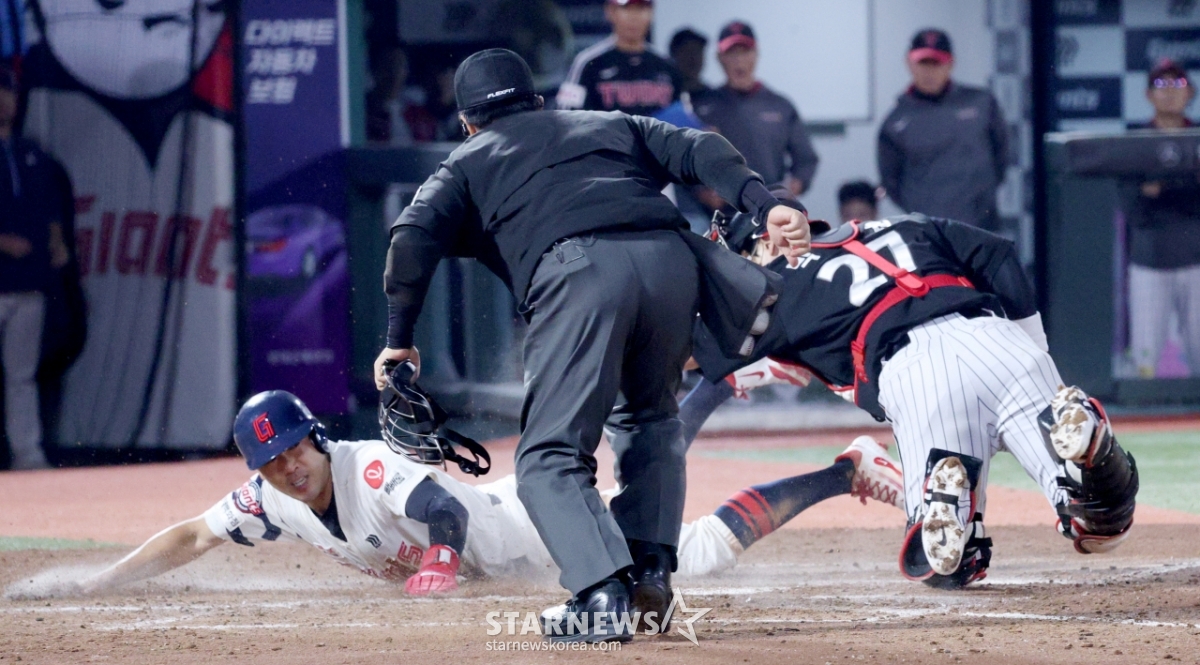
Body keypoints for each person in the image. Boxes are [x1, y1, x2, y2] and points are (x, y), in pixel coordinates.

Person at [373, 48, 809, 642]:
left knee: (546, 457)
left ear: (469, 123)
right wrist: (767, 203)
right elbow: (701, 147)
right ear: (539, 102)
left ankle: (600, 593)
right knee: (650, 420)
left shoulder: (467, 160)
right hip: (671, 262)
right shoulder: (608, 123)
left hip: (581, 274)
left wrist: (399, 341)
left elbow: (409, 238)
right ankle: (650, 574)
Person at [42, 391, 902, 600]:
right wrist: (102, 581)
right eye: (270, 463)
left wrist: (443, 560)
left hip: (539, 528)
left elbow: (444, 512)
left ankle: (842, 468)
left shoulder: (363, 465)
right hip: (513, 553)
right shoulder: (272, 499)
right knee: (656, 486)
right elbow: (192, 534)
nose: (287, 468)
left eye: (293, 450)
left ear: (315, 437)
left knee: (696, 549)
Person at [685, 209, 1139, 589]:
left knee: (943, 566)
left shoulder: (770, 288)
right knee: (1098, 523)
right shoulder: (905, 223)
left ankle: (947, 503)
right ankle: (1084, 438)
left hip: (916, 374)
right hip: (999, 338)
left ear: (764, 243)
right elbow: (998, 254)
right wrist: (1034, 350)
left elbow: (687, 356)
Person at [0, 63, 69, 470]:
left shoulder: (31, 153)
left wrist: (56, 242)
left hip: (28, 284)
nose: (4, 100)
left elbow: (50, 209)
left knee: (21, 377)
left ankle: (28, 454)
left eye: (9, 92)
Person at [877, 29, 1009, 231]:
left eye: (937, 63)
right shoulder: (896, 122)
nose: (929, 72)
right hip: (929, 232)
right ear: (909, 63)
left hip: (982, 227)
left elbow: (1002, 154)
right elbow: (891, 181)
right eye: (923, 63)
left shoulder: (981, 103)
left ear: (951, 64)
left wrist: (982, 196)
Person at [1123, 60, 1200, 377]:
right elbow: (1133, 205)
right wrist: (1186, 184)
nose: (1169, 92)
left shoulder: (1198, 136)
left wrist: (1160, 187)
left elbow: (1154, 193)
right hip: (1150, 260)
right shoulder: (1134, 141)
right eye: (1161, 85)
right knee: (1145, 362)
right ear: (1148, 95)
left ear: (1190, 92)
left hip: (1197, 260)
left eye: (1177, 84)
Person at [692, 21, 819, 200]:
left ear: (756, 54)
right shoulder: (703, 108)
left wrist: (791, 188)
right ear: (719, 58)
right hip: (722, 210)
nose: (739, 60)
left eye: (745, 52)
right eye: (731, 53)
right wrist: (702, 192)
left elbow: (806, 159)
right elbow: (685, 160)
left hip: (770, 206)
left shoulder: (780, 106)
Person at [555, 0, 682, 118]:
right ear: (610, 11)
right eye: (626, 8)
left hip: (653, 135)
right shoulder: (588, 62)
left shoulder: (666, 65)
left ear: (651, 13)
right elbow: (566, 115)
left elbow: (682, 119)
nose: (634, 17)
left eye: (640, 9)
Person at [669, 27, 709, 97]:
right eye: (687, 52)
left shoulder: (714, 98)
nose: (693, 58)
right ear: (674, 55)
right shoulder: (663, 96)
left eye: (697, 52)